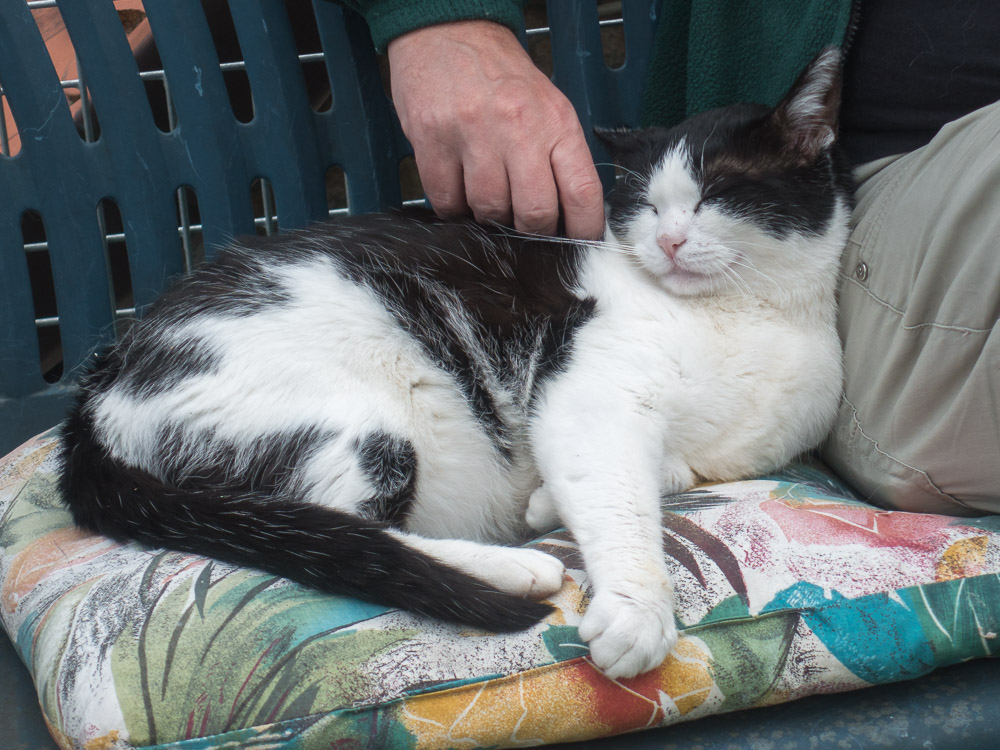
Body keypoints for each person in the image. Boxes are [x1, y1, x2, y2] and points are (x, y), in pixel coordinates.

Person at [341, 0, 1000, 516]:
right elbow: (595, 407)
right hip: (916, 210)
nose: (672, 236)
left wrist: (663, 468)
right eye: (653, 214)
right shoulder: (654, 295)